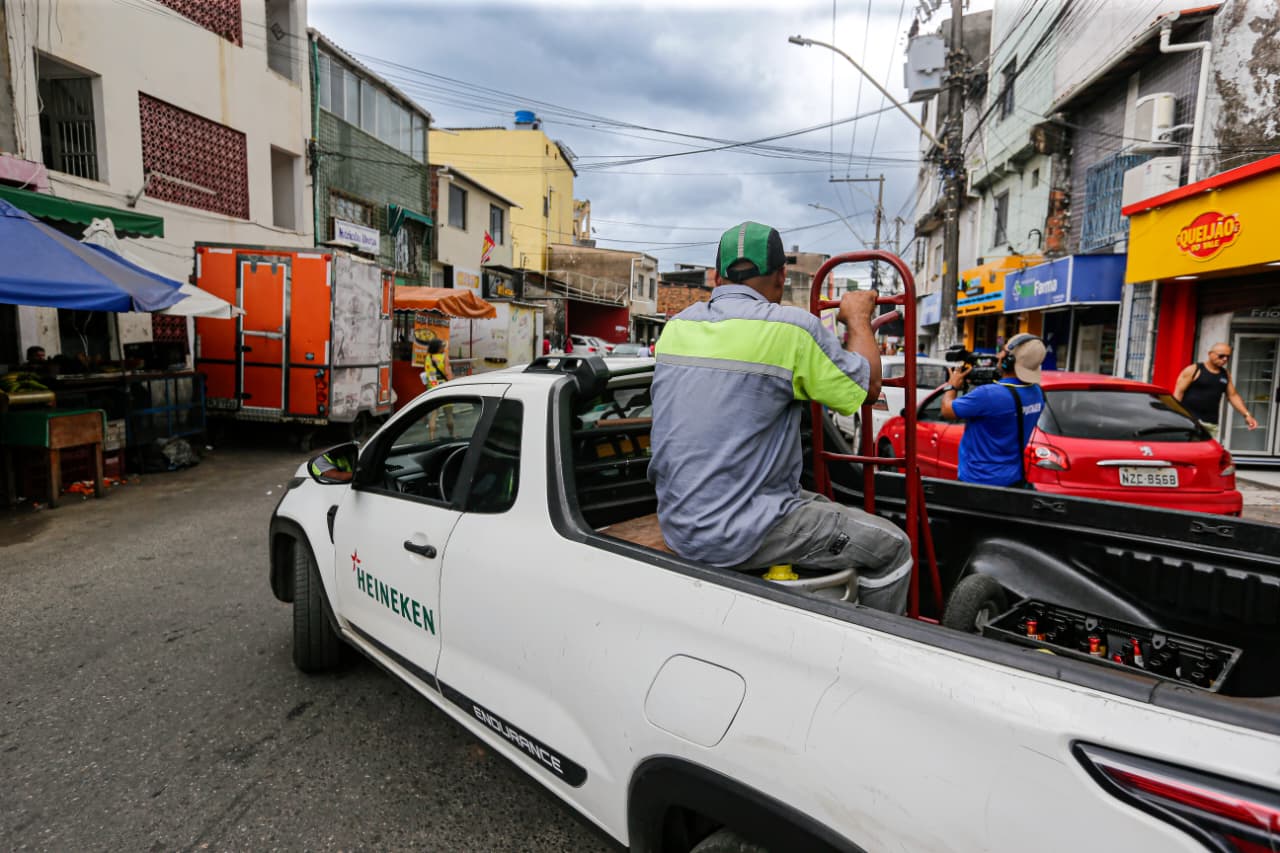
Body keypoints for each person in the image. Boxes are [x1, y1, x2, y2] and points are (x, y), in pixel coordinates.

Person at [649, 221, 912, 614]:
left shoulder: (676, 328)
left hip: (679, 522)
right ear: (781, 277)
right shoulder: (790, 330)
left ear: (716, 277)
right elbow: (868, 387)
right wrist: (856, 318)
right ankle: (876, 657)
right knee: (893, 548)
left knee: (818, 501)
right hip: (736, 534)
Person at [940, 333, 1047, 488]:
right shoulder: (1037, 393)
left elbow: (946, 410)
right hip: (1014, 479)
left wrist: (952, 386)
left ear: (1008, 361)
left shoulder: (988, 395)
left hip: (977, 481)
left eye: (1002, 351)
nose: (998, 355)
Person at [1173, 343, 1257, 439]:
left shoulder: (1225, 374)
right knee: (1188, 451)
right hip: (1189, 421)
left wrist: (1247, 415)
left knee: (1207, 453)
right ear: (1210, 354)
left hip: (1211, 424)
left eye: (1227, 357)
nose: (1225, 359)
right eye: (1221, 356)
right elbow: (1178, 393)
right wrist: (1177, 416)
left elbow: (1233, 396)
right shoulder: (1194, 370)